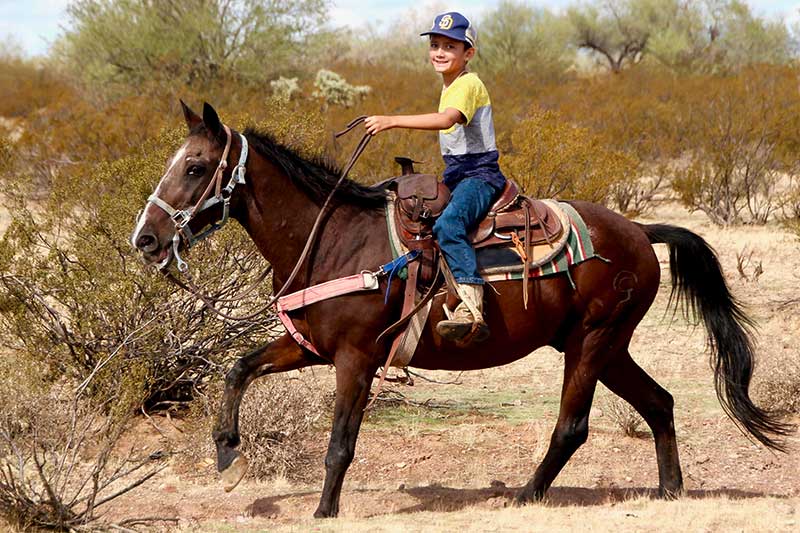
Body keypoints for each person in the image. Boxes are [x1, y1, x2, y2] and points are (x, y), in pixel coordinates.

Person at [365, 11, 507, 343]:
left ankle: (472, 309)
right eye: (435, 45)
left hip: (480, 176)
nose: (440, 52)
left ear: (468, 53)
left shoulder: (468, 84)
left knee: (448, 225)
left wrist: (391, 121)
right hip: (457, 175)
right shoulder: (451, 85)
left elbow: (446, 121)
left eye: (450, 46)